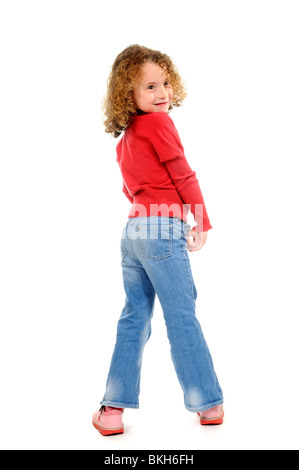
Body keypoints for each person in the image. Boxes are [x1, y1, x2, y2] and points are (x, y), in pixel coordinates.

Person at [92, 45, 224, 436]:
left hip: (132, 231)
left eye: (165, 83)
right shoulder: (160, 124)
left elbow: (130, 189)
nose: (162, 93)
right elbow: (182, 174)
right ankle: (208, 402)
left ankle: (112, 410)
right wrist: (200, 220)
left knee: (134, 317)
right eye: (150, 86)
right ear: (126, 94)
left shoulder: (125, 140)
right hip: (161, 230)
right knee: (181, 316)